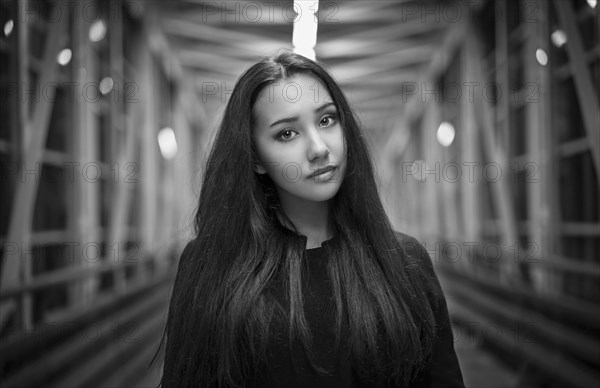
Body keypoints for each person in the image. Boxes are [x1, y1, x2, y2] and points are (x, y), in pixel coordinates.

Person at [157, 50, 465, 388]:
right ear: (256, 159)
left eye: (326, 120)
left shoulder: (406, 261)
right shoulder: (210, 265)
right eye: (287, 133)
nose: (319, 148)